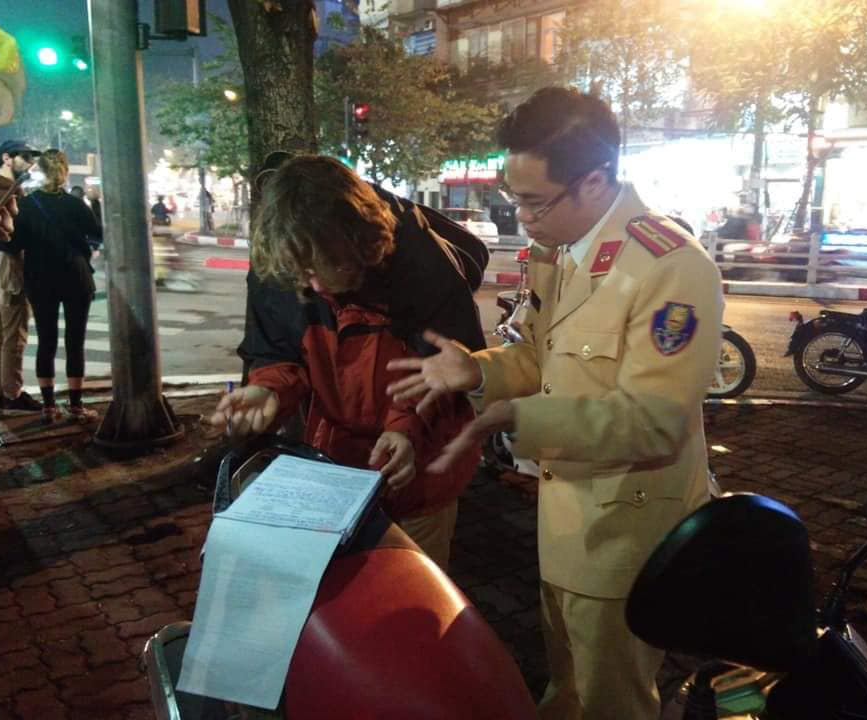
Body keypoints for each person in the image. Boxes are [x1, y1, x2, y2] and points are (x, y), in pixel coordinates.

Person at [386, 87, 724, 720]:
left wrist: (521, 421)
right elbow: (540, 356)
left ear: (594, 181)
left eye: (534, 202)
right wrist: (477, 369)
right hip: (565, 516)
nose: (522, 218)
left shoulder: (670, 267)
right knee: (565, 689)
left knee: (610, 701)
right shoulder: (563, 251)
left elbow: (656, 422)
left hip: (624, 529)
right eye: (513, 199)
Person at [212, 154, 488, 571]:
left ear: (362, 245)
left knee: (413, 591)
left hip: (423, 471)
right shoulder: (281, 257)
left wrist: (405, 430)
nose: (315, 285)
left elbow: (450, 375)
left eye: (330, 267)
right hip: (339, 468)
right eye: (303, 273)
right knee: (347, 587)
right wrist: (267, 389)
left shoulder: (423, 269)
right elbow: (276, 352)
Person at [2, 149, 103, 423]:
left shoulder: (26, 205)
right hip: (76, 277)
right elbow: (97, 233)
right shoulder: (75, 204)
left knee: (46, 341)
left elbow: (12, 245)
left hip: (40, 279)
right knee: (75, 342)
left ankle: (48, 407)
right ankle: (76, 406)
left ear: (40, 172)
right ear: (65, 172)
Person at [0, 140, 44, 413]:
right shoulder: (8, 191)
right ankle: (12, 394)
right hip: (7, 272)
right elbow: (13, 236)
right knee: (14, 336)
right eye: (25, 157)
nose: (30, 162)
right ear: (7, 158)